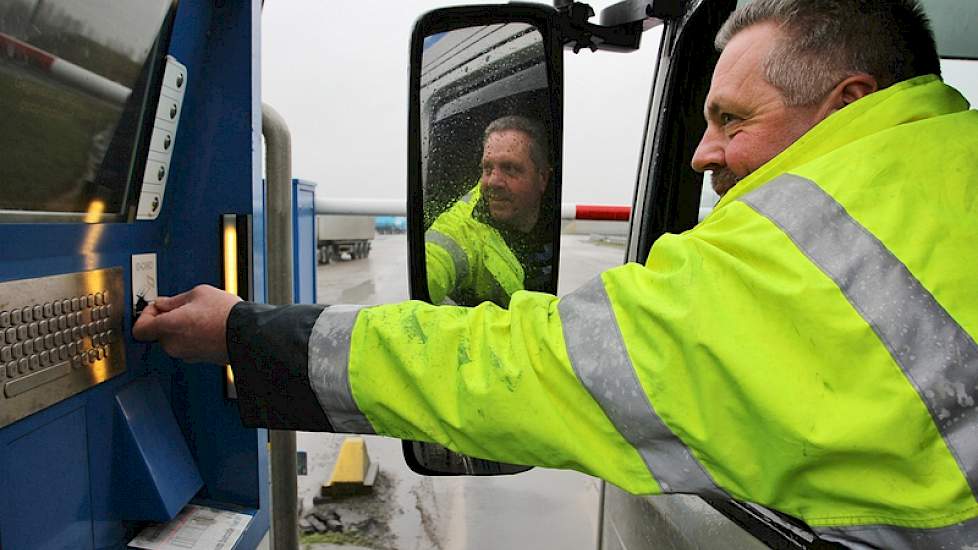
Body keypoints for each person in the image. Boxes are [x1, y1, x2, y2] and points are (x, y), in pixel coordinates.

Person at [134, 0, 978, 547]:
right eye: (485, 168)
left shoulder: (812, 249)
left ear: (846, 100)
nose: (703, 151)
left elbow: (522, 367)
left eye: (731, 119)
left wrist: (246, 334)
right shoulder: (937, 181)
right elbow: (439, 265)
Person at [425, 115, 555, 307]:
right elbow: (432, 262)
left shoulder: (560, 211)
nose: (493, 182)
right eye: (487, 168)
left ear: (542, 178)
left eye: (509, 168)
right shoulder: (462, 228)